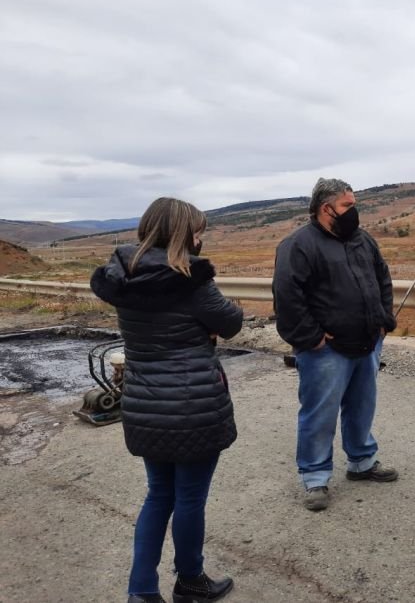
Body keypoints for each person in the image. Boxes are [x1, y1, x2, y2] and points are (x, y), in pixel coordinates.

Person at [91, 197, 243, 603]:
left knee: (159, 494)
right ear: (182, 233)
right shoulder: (189, 278)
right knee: (190, 496)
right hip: (192, 406)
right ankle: (190, 580)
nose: (200, 237)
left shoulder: (122, 275)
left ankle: (141, 590)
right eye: (197, 230)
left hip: (143, 404)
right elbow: (230, 323)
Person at [273, 178, 398, 512]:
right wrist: (310, 337)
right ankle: (315, 477)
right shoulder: (298, 245)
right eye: (347, 205)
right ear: (325, 208)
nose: (353, 211)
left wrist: (384, 319)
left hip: (368, 341)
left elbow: (381, 277)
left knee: (362, 406)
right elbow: (287, 296)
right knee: (319, 413)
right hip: (324, 350)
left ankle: (361, 461)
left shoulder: (362, 239)